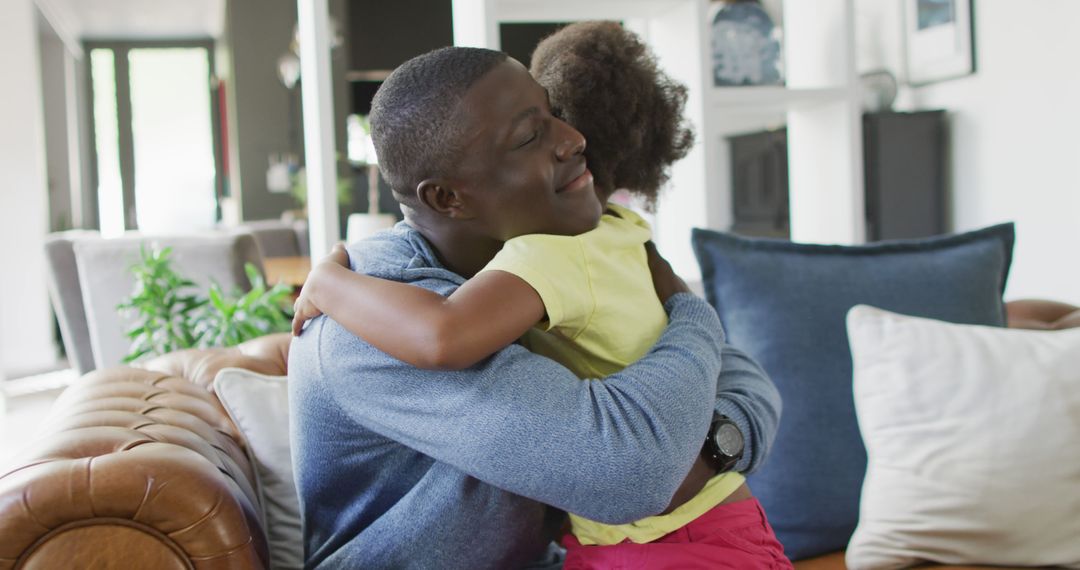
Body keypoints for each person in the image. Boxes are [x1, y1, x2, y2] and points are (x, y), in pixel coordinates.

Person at [288, 43, 781, 569]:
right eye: (528, 136)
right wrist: (693, 318)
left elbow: (749, 381)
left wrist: (695, 444)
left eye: (554, 115)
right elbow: (630, 473)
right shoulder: (371, 326)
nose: (574, 139)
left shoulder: (558, 245)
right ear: (447, 199)